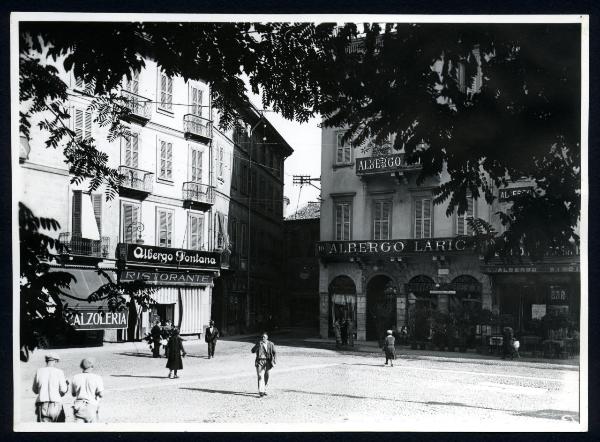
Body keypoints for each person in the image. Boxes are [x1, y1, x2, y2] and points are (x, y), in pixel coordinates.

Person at [32, 353, 69, 422]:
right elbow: (63, 390)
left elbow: (35, 390)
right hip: (56, 403)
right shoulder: (59, 372)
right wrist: (67, 385)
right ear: (55, 361)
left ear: (46, 361)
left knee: (44, 430)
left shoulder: (39, 371)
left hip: (42, 404)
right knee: (59, 429)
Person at [71, 358, 104, 423]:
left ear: (81, 366)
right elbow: (101, 394)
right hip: (91, 405)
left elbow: (73, 394)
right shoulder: (97, 377)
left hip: (79, 407)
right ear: (92, 366)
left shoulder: (76, 377)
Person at [251, 332, 277, 397]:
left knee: (267, 375)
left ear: (267, 338)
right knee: (260, 376)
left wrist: (274, 360)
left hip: (268, 361)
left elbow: (274, 352)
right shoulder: (258, 343)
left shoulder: (271, 344)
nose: (263, 338)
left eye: (264, 337)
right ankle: (261, 391)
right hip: (259, 361)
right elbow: (252, 351)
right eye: (262, 337)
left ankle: (264, 389)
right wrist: (257, 346)